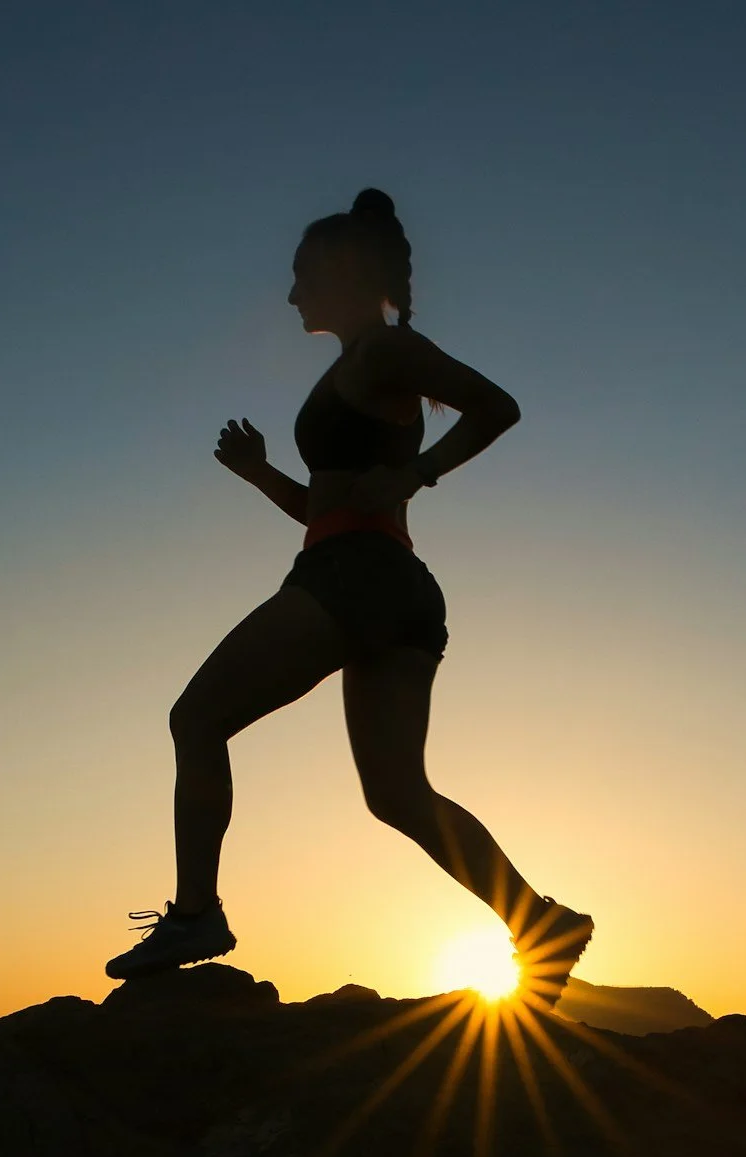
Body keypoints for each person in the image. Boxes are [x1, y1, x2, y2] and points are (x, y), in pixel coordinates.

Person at [106, 188, 593, 1006]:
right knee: (398, 794)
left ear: (339, 272)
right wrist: (263, 475)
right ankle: (540, 922)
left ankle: (195, 914)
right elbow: (328, 506)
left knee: (196, 718)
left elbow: (496, 407)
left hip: (355, 577)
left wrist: (419, 470)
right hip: (388, 582)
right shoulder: (358, 365)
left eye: (301, 276)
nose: (292, 293)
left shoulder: (382, 354)